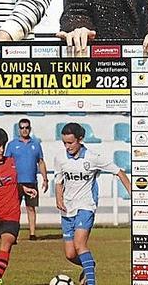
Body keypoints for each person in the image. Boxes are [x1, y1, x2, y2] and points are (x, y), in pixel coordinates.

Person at [55, 122, 133, 285]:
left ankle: (91, 282)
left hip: (86, 206)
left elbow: (119, 171)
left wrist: (133, 193)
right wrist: (59, 199)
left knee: (79, 244)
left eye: (70, 143)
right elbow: (59, 181)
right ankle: (89, 265)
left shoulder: (93, 158)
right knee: (70, 254)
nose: (67, 146)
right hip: (67, 210)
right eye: (64, 143)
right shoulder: (60, 158)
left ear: (80, 139)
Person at [0, 127, 38, 285]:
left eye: (3, 146)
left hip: (11, 213)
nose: (1, 150)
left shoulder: (11, 162)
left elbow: (14, 184)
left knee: (7, 242)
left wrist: (25, 189)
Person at [5, 118, 48, 240]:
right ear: (19, 129)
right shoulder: (12, 145)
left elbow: (40, 162)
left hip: (31, 181)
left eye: (27, 127)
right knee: (14, 208)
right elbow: (7, 163)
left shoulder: (36, 144)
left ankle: (32, 234)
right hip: (15, 182)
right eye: (22, 127)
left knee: (31, 208)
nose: (24, 130)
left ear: (30, 129)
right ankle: (12, 234)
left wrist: (45, 179)